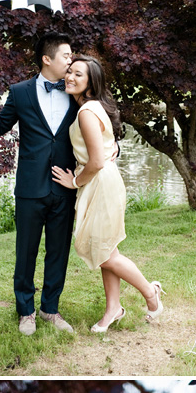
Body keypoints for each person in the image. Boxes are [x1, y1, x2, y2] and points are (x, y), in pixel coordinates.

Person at [0, 32, 80, 337]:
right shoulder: (19, 92)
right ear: (47, 59)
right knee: (26, 253)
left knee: (58, 252)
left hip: (65, 185)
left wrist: (112, 149)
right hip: (30, 188)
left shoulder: (76, 91)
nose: (70, 60)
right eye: (66, 55)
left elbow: (99, 124)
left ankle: (50, 308)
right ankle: (25, 311)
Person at [52, 56, 164, 334]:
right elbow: (107, 147)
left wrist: (75, 181)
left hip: (100, 183)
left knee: (105, 253)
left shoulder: (87, 112)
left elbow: (97, 161)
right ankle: (113, 308)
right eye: (69, 72)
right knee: (105, 250)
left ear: (91, 83)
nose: (70, 77)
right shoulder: (93, 107)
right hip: (103, 182)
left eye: (79, 74)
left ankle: (150, 294)